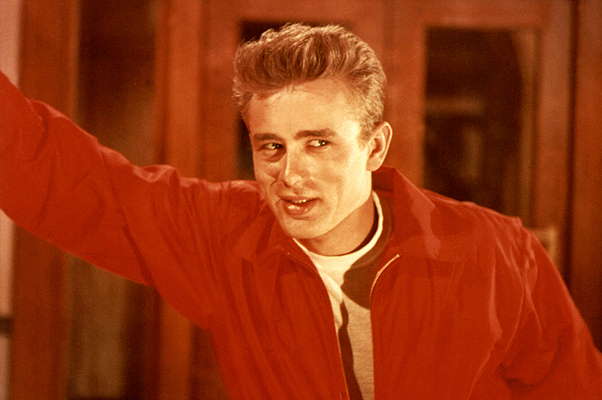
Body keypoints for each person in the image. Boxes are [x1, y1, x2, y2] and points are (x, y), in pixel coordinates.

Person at [1, 23, 600, 399]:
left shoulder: (496, 250)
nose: (290, 174)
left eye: (318, 143)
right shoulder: (225, 235)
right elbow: (64, 177)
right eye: (272, 147)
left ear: (375, 147)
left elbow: (571, 388)